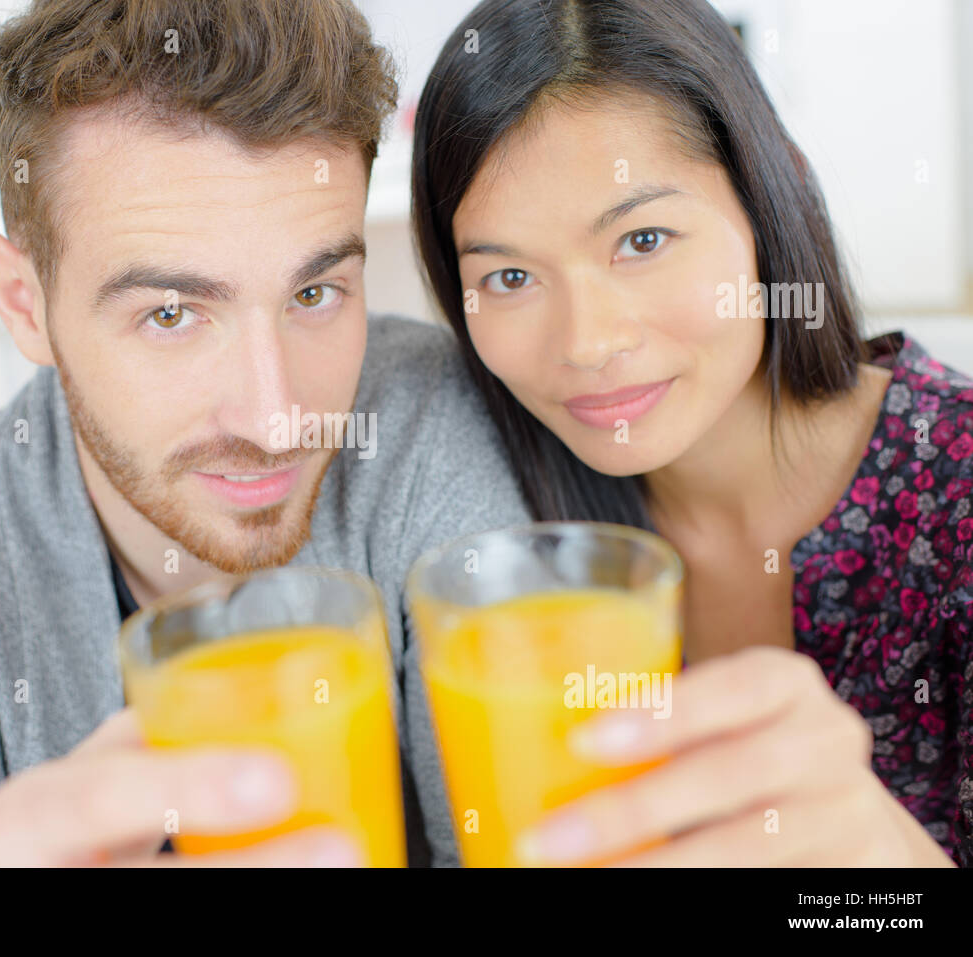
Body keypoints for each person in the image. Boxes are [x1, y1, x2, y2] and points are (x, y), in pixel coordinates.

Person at [0, 0, 531, 868]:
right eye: (171, 312)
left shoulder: (427, 415)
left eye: (314, 293)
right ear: (23, 304)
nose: (277, 417)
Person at [411, 0, 970, 865]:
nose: (589, 344)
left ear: (768, 199)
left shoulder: (956, 495)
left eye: (643, 238)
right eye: (511, 275)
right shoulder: (489, 520)